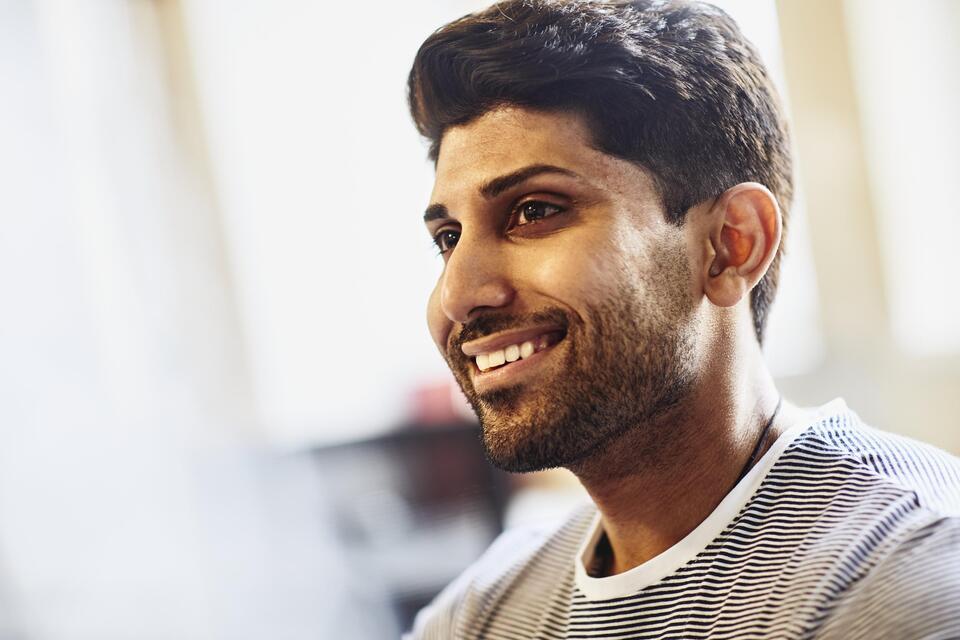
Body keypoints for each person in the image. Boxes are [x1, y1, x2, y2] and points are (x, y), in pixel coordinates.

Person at [404, 0, 960, 637]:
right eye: (448, 238)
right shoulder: (479, 614)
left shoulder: (904, 581)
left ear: (730, 244)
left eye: (534, 211)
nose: (458, 294)